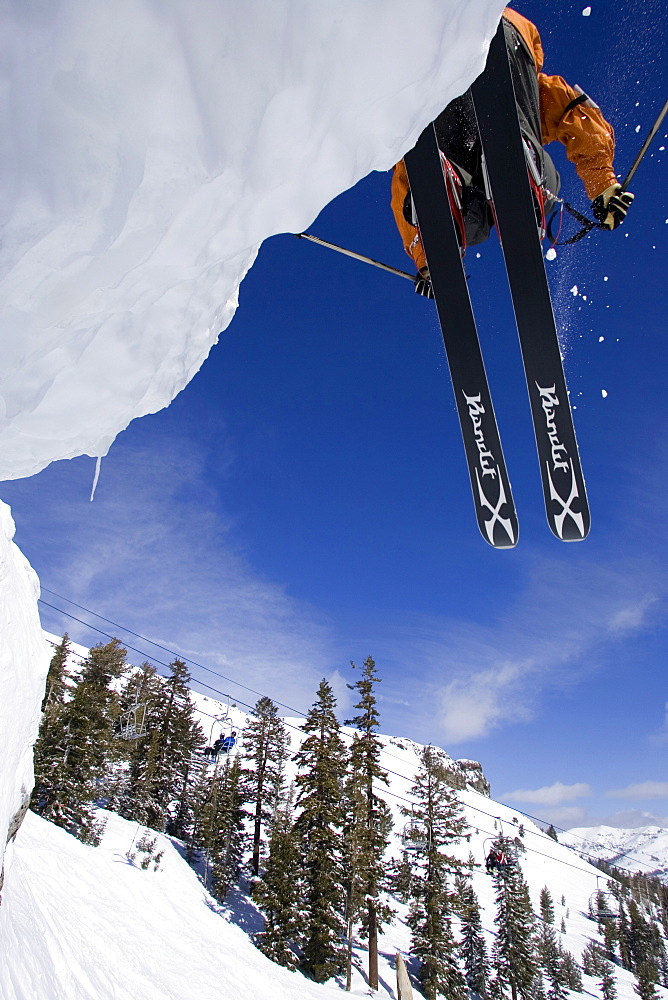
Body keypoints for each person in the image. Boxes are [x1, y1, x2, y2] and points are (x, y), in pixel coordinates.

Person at [391, 7, 634, 297]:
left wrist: (428, 256)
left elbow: (407, 171)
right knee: (546, 187)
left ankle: (452, 191)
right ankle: (516, 160)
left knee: (471, 222)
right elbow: (578, 113)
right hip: (506, 39)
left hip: (429, 55)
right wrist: (601, 184)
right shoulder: (539, 92)